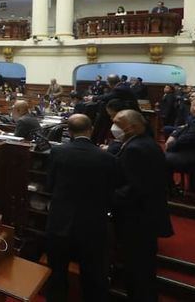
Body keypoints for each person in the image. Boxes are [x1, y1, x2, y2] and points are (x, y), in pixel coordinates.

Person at [45, 114, 118, 302]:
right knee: (92, 272)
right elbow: (111, 191)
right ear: (91, 129)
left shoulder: (58, 152)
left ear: (68, 132)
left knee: (57, 270)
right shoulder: (107, 157)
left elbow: (50, 184)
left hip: (60, 220)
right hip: (92, 222)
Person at [111, 110, 173, 301]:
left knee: (138, 267)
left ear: (135, 127)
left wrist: (106, 195)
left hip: (138, 218)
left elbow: (134, 189)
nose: (114, 128)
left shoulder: (135, 149)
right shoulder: (144, 143)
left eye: (118, 124)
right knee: (142, 265)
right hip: (146, 214)